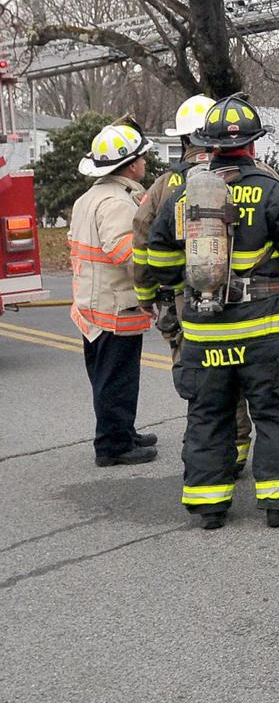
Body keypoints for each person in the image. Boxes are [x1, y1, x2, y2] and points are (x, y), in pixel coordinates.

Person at [133, 95, 279, 477]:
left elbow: (151, 251)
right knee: (276, 407)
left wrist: (173, 290)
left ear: (202, 141)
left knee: (210, 412)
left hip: (199, 321)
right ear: (253, 143)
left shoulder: (176, 189)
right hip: (263, 322)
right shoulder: (268, 184)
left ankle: (212, 494)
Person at [69, 122, 157, 467]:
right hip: (114, 309)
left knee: (107, 376)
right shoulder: (117, 203)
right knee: (117, 379)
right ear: (130, 165)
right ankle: (113, 445)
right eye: (142, 157)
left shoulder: (89, 198)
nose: (145, 162)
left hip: (91, 307)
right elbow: (129, 256)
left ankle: (122, 430)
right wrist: (160, 278)